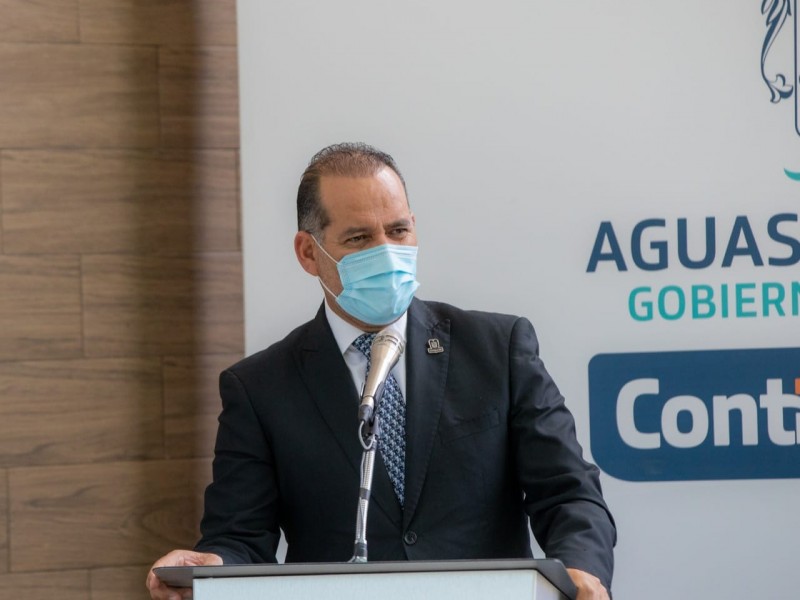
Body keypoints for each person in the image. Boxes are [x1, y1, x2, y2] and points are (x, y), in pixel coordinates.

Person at [146, 142, 616, 600]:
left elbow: (568, 492)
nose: (387, 252)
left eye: (398, 230)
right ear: (308, 253)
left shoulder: (497, 348)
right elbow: (241, 537)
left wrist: (580, 569)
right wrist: (211, 568)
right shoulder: (259, 388)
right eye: (359, 238)